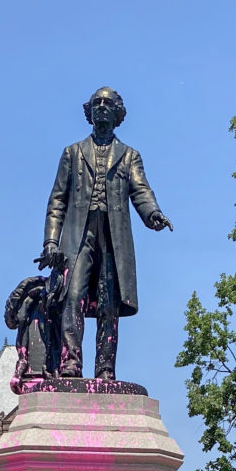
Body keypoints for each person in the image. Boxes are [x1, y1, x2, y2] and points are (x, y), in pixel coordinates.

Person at [39, 87, 172, 380]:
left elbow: (141, 190)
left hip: (113, 237)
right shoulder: (72, 153)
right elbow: (57, 199)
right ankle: (70, 362)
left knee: (108, 303)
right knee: (72, 296)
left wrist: (153, 214)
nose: (101, 107)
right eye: (96, 102)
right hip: (77, 237)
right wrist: (51, 240)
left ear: (118, 113)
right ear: (89, 111)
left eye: (107, 103)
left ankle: (105, 368)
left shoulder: (129, 156)